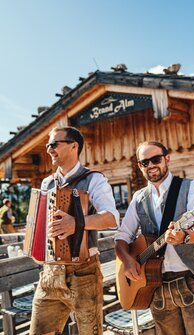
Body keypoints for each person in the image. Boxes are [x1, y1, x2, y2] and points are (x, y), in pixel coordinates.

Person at [115, 141, 194, 335]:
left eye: (156, 159)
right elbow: (122, 237)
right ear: (140, 166)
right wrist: (128, 261)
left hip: (193, 278)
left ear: (167, 159)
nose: (151, 165)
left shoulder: (190, 187)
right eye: (145, 162)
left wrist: (184, 236)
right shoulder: (138, 198)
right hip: (155, 284)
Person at [29, 126, 119, 335]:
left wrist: (77, 223)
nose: (49, 149)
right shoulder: (47, 183)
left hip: (83, 273)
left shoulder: (94, 179)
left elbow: (112, 218)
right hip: (50, 273)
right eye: (47, 145)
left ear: (73, 146)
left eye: (54, 144)